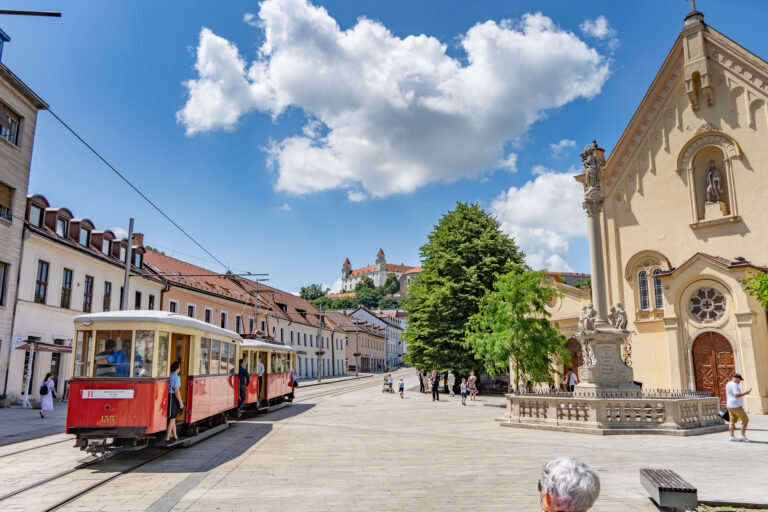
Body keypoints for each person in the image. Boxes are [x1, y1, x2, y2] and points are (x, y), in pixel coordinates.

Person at [726, 373, 752, 442]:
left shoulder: (728, 384)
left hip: (730, 405)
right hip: (736, 406)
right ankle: (742, 436)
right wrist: (746, 393)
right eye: (740, 380)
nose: (740, 381)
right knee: (745, 420)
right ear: (736, 378)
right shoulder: (734, 385)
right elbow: (736, 395)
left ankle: (731, 436)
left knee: (732, 421)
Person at [166, 361, 183, 443]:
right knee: (172, 419)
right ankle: (167, 438)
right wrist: (180, 402)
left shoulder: (169, 375)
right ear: (177, 368)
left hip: (168, 397)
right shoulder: (176, 377)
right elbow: (176, 391)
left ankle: (175, 436)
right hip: (174, 398)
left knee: (173, 418)